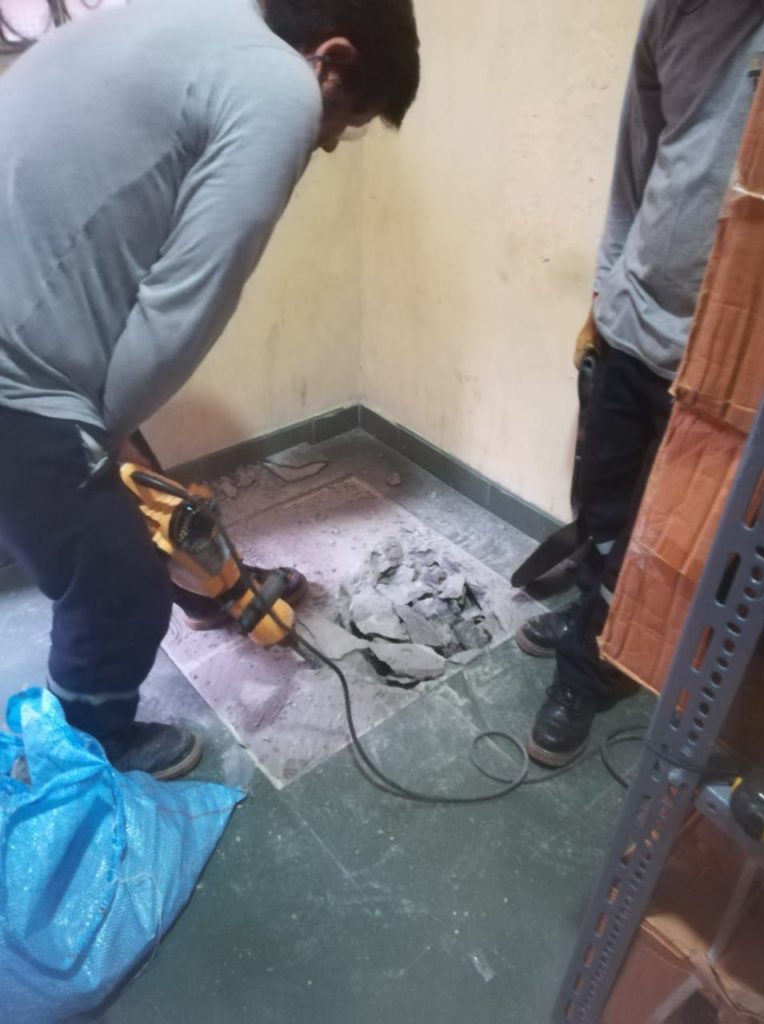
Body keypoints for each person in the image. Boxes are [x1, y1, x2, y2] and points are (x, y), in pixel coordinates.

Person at [0, 0, 420, 780]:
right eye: (348, 119)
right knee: (118, 588)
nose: (331, 140)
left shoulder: (198, 17)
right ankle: (88, 742)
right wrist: (93, 444)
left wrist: (111, 449)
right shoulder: (281, 84)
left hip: (27, 322)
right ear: (330, 59)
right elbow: (179, 309)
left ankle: (208, 590)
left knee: (146, 488)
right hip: (15, 376)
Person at [521, 0, 764, 768]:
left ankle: (585, 669)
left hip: (729, 378)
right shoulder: (675, 11)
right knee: (600, 514)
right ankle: (592, 624)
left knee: (662, 544)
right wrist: (606, 294)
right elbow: (636, 164)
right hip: (633, 327)